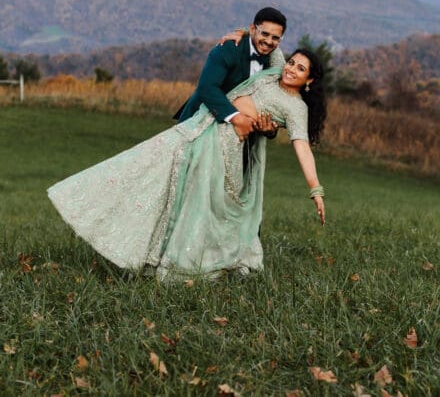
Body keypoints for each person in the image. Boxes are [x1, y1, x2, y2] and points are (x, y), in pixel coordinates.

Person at [47, 48, 327, 280]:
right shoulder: (275, 72)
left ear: (310, 80)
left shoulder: (296, 108)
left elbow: (302, 148)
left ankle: (199, 260)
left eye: (301, 69)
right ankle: (112, 225)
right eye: (292, 62)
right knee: (148, 164)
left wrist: (315, 189)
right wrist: (238, 33)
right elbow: (268, 38)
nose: (291, 69)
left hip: (224, 144)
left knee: (204, 202)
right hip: (203, 125)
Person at [173, 6, 288, 140]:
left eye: (275, 38)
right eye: (265, 34)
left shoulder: (276, 64)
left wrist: (269, 130)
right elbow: (207, 87)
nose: (268, 41)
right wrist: (236, 118)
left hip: (241, 140)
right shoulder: (228, 48)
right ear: (252, 29)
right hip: (198, 127)